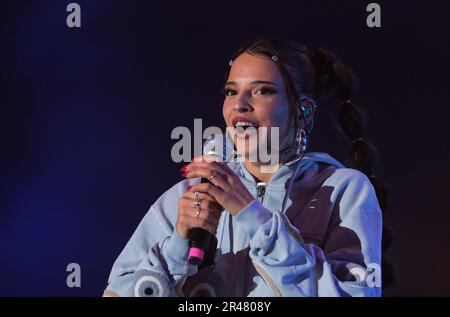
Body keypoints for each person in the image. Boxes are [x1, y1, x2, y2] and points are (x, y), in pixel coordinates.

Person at [103, 39, 392, 297]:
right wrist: (176, 247)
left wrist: (253, 217)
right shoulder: (190, 195)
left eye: (262, 91)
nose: (239, 105)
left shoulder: (344, 191)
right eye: (231, 92)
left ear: (303, 111)